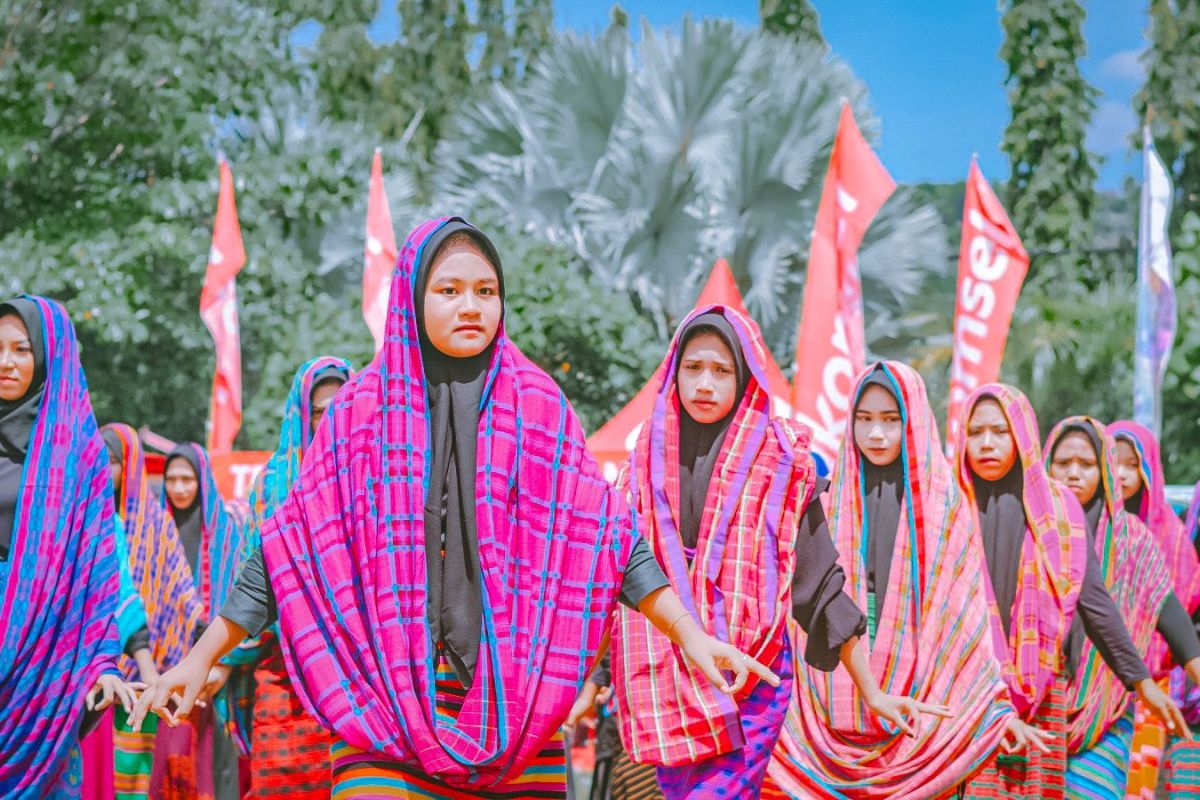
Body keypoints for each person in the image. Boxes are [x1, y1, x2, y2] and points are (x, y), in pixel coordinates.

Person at [131, 216, 777, 798]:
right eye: (450, 291)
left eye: (486, 291)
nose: (471, 306)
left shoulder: (539, 408)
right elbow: (284, 551)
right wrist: (200, 656)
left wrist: (690, 636)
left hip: (517, 709)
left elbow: (609, 540)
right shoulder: (359, 416)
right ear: (412, 298)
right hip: (384, 704)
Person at [598, 308, 940, 799]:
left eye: (722, 370)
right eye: (693, 368)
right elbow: (618, 578)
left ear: (746, 378)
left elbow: (820, 588)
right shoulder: (640, 470)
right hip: (666, 681)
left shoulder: (782, 465)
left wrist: (872, 691)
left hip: (751, 681)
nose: (705, 384)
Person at [766, 362, 1015, 799]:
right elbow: (806, 597)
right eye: (864, 420)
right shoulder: (826, 496)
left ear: (914, 419)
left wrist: (984, 698)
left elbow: (958, 615)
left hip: (921, 724)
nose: (876, 435)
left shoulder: (945, 504)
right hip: (824, 719)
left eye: (890, 420)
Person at [953, 386, 1186, 799]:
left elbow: (1094, 599)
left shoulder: (1056, 511)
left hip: (1043, 694)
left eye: (1000, 431)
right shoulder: (950, 506)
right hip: (966, 694)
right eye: (976, 432)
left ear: (1022, 435)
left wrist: (1140, 681)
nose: (986, 443)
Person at [0, 296, 140, 797]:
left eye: (20, 349)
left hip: (46, 662)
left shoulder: (77, 457)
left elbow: (99, 570)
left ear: (47, 356)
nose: (5, 363)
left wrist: (102, 661)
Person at [221, 356, 351, 799]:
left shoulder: (373, 476)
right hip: (283, 669)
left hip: (357, 674)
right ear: (302, 414)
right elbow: (254, 578)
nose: (330, 417)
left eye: (341, 404)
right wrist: (221, 660)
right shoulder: (275, 486)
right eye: (319, 410)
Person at [1045, 417, 1193, 800]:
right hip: (1034, 712)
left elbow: (1173, 618)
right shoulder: (1031, 532)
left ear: (1102, 469)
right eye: (1063, 463)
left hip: (1106, 712)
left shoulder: (1132, 539)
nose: (1073, 474)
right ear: (1044, 465)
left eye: (1087, 464)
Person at [102, 423, 207, 799]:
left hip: (148, 664)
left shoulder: (154, 521)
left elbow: (180, 584)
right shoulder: (86, 519)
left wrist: (204, 638)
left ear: (129, 466)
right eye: (100, 459)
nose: (105, 468)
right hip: (98, 666)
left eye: (114, 461)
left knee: (134, 772)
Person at [1110, 421, 1200, 798]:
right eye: (1114, 462)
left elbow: (1179, 604)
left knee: (1139, 782)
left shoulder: (1170, 534)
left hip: (1156, 676)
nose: (1122, 474)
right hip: (1097, 678)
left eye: (1133, 464)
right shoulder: (1091, 525)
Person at [160, 443, 249, 800]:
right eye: (171, 479)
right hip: (167, 663)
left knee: (219, 762)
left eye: (187, 479)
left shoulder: (227, 532)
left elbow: (241, 597)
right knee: (172, 760)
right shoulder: (158, 530)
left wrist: (221, 663)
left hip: (220, 665)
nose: (179, 488)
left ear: (203, 481)